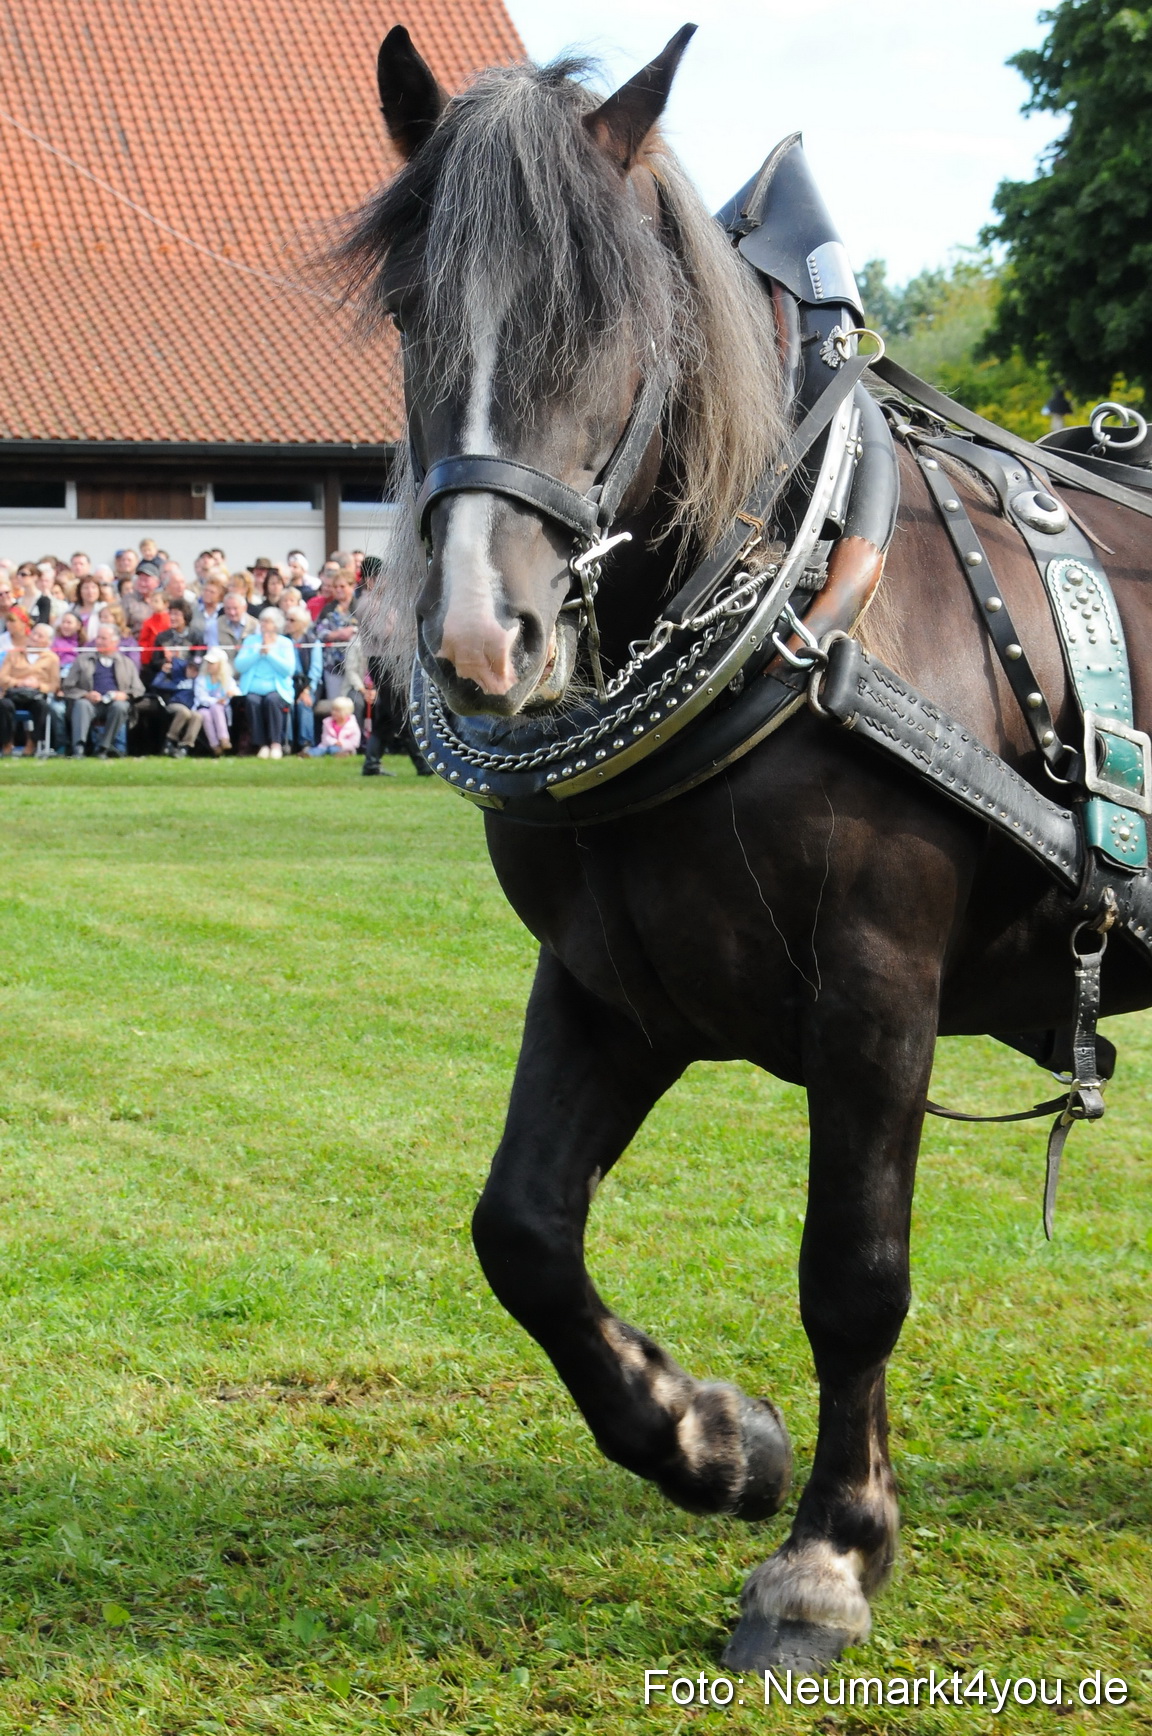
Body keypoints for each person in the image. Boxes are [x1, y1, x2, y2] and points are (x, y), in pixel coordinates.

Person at [63, 622, 144, 757]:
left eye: (103, 638)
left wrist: (124, 695)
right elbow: (68, 686)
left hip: (114, 704)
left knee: (121, 706)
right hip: (90, 704)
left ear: (115, 641)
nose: (98, 641)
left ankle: (104, 747)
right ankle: (79, 748)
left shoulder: (126, 663)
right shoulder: (82, 660)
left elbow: (138, 689)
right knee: (82, 704)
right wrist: (86, 694)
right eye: (98, 638)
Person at [234, 607, 294, 758]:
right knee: (252, 701)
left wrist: (270, 653)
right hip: (253, 688)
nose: (263, 625)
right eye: (262, 621)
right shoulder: (250, 641)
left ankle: (275, 743)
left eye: (267, 622)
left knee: (272, 700)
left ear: (276, 625)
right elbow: (239, 665)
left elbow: (288, 670)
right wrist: (258, 652)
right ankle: (261, 745)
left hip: (277, 689)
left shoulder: (285, 643)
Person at [147, 601, 202, 756]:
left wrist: (184, 665)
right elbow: (154, 662)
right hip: (168, 688)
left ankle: (184, 747)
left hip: (188, 687)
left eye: (177, 614)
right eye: (171, 613)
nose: (172, 617)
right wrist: (163, 665)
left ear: (186, 616)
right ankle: (169, 743)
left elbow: (198, 660)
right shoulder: (162, 637)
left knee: (195, 715)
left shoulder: (195, 636)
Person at [0, 610, 60, 753]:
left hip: (36, 695)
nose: (35, 637)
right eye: (34, 633)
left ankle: (32, 743)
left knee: (42, 706)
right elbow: (2, 678)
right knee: (3, 705)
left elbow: (54, 685)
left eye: (40, 636)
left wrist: (38, 685)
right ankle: (7, 742)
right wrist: (18, 682)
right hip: (13, 693)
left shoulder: (52, 658)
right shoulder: (14, 653)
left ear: (48, 642)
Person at [285, 605, 322, 750]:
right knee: (285, 703)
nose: (287, 623)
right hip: (289, 683)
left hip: (308, 683)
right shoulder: (283, 641)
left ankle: (306, 742)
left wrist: (306, 690)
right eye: (286, 619)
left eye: (292, 620)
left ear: (302, 624)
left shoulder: (313, 641)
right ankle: (286, 742)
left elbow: (316, 670)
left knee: (304, 703)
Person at [193, 646, 238, 755]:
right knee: (206, 714)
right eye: (208, 663)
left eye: (212, 663)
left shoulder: (227, 680)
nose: (209, 665)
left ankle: (224, 739)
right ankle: (215, 745)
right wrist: (216, 701)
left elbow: (235, 690)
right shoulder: (201, 679)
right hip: (203, 707)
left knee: (217, 708)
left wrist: (231, 693)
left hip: (221, 710)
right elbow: (201, 698)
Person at [218, 590, 259, 663]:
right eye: (228, 608)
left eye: (235, 608)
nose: (232, 612)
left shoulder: (255, 625)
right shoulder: (216, 624)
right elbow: (214, 650)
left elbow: (256, 651)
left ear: (244, 608)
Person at [74, 574, 104, 643]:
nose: (90, 591)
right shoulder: (72, 608)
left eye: (93, 587)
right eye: (86, 588)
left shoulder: (104, 608)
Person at [199, 577, 225, 647]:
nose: (207, 594)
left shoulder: (224, 611)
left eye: (212, 592)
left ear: (219, 595)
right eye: (205, 590)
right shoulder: (195, 610)